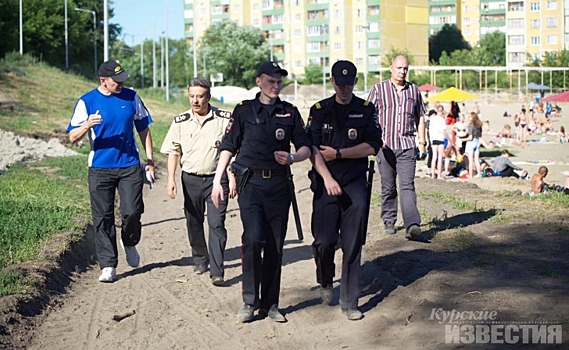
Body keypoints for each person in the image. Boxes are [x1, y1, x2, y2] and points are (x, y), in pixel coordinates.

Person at [210, 61, 311, 323]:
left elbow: (305, 147)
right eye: (270, 81)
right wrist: (217, 179)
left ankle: (271, 303)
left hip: (279, 186)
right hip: (250, 185)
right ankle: (249, 302)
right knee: (254, 240)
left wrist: (292, 157)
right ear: (258, 82)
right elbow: (229, 146)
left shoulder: (289, 112)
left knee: (276, 245)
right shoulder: (244, 111)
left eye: (278, 82)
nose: (275, 86)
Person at [307, 60, 382, 321]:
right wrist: (327, 177)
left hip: (354, 183)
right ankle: (326, 280)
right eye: (340, 83)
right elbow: (313, 150)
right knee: (324, 241)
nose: (344, 88)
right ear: (332, 81)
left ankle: (350, 302)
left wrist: (339, 153)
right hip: (325, 183)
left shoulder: (365, 109)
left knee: (352, 244)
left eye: (349, 83)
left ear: (355, 82)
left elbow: (373, 146)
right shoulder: (319, 110)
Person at [67, 60, 154, 283]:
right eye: (116, 81)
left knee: (132, 211)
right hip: (100, 168)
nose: (121, 84)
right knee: (103, 217)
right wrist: (87, 125)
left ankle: (130, 241)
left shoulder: (131, 97)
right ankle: (108, 265)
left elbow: (143, 129)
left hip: (129, 165)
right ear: (102, 81)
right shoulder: (87, 101)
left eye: (123, 79)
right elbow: (71, 137)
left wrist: (150, 159)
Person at [160, 77, 233, 286]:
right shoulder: (180, 121)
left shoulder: (224, 118)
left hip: (217, 179)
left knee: (217, 223)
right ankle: (200, 258)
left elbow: (233, 150)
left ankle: (217, 271)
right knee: (194, 221)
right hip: (190, 179)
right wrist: (170, 180)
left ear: (208, 97)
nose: (195, 101)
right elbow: (173, 152)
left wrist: (234, 176)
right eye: (192, 96)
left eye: (200, 96)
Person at [367, 54, 426, 240]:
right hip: (385, 147)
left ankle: (412, 224)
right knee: (388, 186)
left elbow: (421, 117)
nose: (402, 72)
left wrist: (422, 142)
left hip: (407, 145)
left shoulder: (414, 91)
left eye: (405, 68)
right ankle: (389, 221)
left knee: (407, 185)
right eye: (399, 68)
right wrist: (375, 139)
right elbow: (368, 116)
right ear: (391, 67)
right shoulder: (378, 89)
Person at [460, 112, 483, 178]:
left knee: (470, 161)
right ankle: (479, 174)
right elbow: (480, 135)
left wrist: (462, 139)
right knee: (476, 160)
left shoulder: (471, 125)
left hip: (471, 143)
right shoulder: (479, 125)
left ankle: (471, 174)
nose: (468, 118)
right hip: (477, 142)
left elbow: (470, 137)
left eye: (470, 117)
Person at [429, 107, 449, 179]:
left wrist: (431, 140)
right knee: (440, 157)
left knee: (434, 157)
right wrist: (448, 139)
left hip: (434, 139)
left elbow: (431, 130)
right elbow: (443, 131)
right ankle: (439, 175)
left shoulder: (432, 119)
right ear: (442, 111)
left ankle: (433, 174)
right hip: (440, 138)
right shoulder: (442, 120)